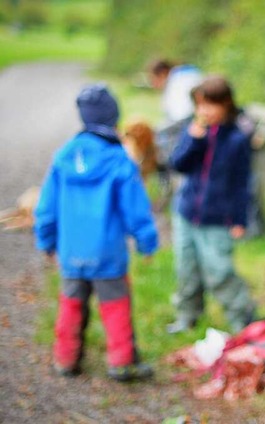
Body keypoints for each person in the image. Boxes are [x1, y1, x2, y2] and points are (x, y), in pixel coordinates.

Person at [34, 83, 159, 382]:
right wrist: (146, 241)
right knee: (115, 307)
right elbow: (135, 209)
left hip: (72, 251)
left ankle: (65, 359)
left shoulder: (63, 156)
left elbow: (47, 207)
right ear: (113, 119)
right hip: (107, 254)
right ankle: (121, 363)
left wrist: (46, 238)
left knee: (71, 304)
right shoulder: (118, 159)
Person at [167, 75, 256, 334]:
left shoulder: (237, 140)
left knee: (219, 272)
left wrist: (240, 220)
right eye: (199, 105)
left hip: (218, 219)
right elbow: (178, 164)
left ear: (226, 104)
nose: (204, 111)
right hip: (186, 214)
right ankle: (187, 315)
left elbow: (242, 184)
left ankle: (243, 319)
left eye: (210, 105)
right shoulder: (194, 130)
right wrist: (194, 140)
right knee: (186, 269)